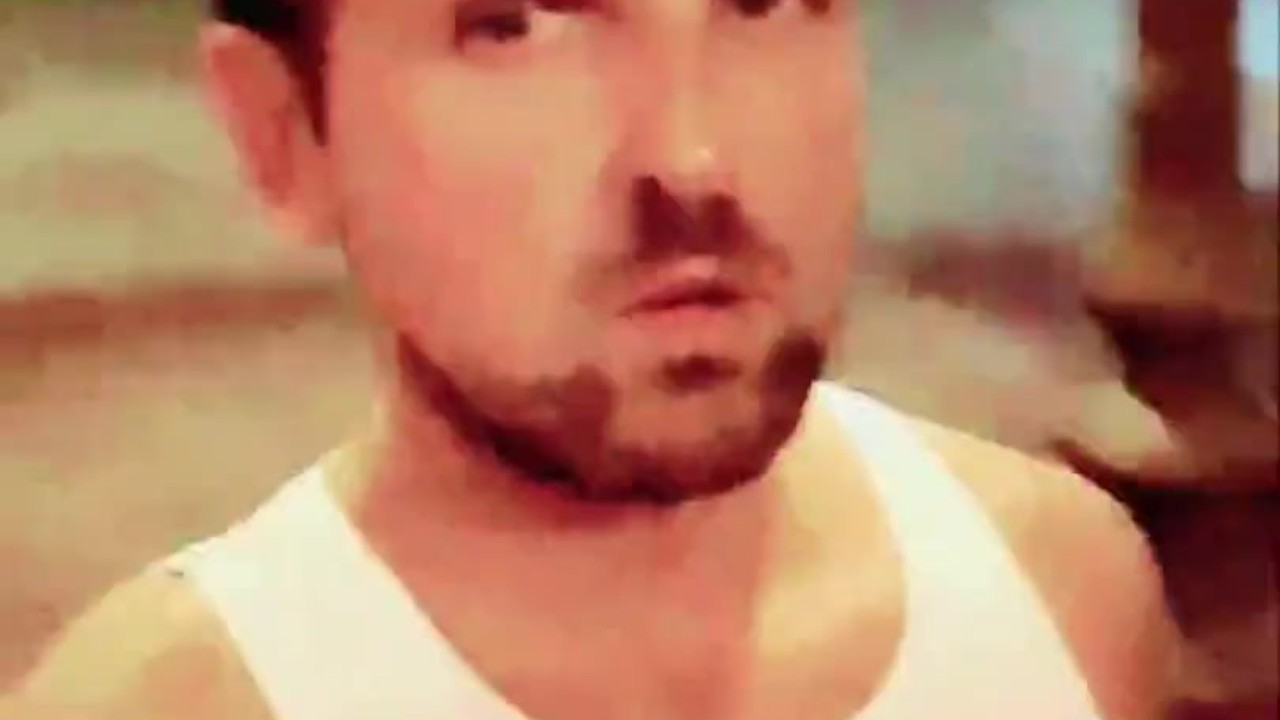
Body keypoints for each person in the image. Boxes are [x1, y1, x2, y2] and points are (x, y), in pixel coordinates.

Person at [8, 0, 1175, 718]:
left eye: (764, 2)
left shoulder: (1059, 594)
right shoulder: (167, 705)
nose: (693, 155)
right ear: (282, 133)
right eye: (515, 24)